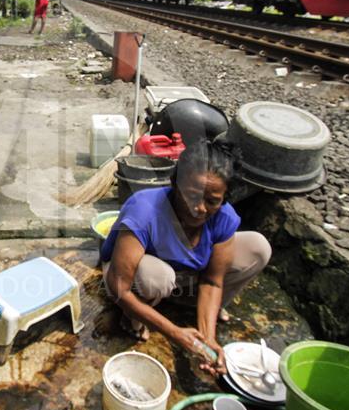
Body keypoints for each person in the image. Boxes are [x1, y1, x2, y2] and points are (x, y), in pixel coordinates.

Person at [100, 140, 272, 376]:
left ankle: (197, 311)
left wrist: (207, 340)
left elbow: (212, 281)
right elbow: (119, 285)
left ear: (224, 199)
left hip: (183, 278)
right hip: (132, 278)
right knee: (157, 278)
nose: (199, 208)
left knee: (258, 247)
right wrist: (174, 332)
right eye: (191, 195)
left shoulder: (223, 217)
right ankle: (133, 317)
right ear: (176, 184)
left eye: (211, 201)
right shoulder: (145, 210)